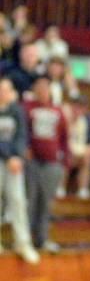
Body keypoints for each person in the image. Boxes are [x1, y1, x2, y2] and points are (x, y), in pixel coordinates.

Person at [24, 75, 69, 253]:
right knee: (30, 202)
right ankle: (26, 240)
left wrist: (64, 160)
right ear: (34, 89)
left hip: (52, 163)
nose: (42, 90)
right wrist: (25, 148)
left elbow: (65, 137)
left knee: (46, 204)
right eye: (39, 87)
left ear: (50, 89)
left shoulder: (58, 111)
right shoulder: (27, 108)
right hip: (32, 162)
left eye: (45, 87)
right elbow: (22, 131)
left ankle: (42, 239)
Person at [0, 77, 39, 263]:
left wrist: (17, 157)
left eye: (6, 89)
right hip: (5, 160)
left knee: (18, 201)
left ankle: (23, 243)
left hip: (14, 163)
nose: (2, 93)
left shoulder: (17, 111)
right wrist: (9, 156)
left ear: (12, 92)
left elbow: (22, 136)